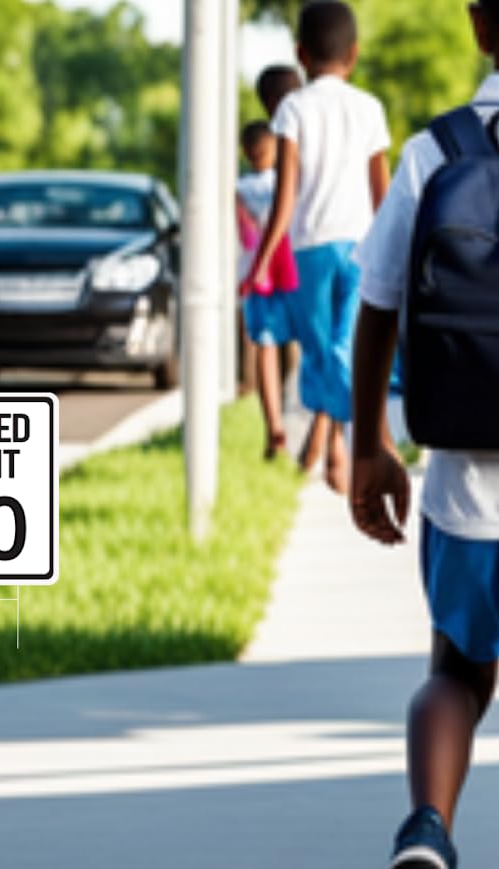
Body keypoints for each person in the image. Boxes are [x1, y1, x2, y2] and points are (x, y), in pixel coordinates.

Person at [351, 3, 499, 866]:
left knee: (455, 674)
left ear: (482, 27)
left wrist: (370, 443)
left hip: (469, 490)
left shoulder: (434, 152)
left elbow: (377, 306)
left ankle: (427, 829)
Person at [246, 0, 391, 494]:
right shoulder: (370, 108)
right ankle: (340, 445)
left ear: (300, 54)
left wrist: (262, 261)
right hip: (362, 248)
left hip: (309, 250)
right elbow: (383, 196)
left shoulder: (292, 108)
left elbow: (284, 196)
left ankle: (347, 442)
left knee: (320, 354)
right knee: (343, 349)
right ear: (353, 55)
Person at [236, 121, 299, 459]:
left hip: (257, 270)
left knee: (265, 345)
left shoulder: (239, 188)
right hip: (287, 264)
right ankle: (283, 414)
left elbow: (243, 234)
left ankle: (275, 420)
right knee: (292, 344)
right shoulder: (289, 181)